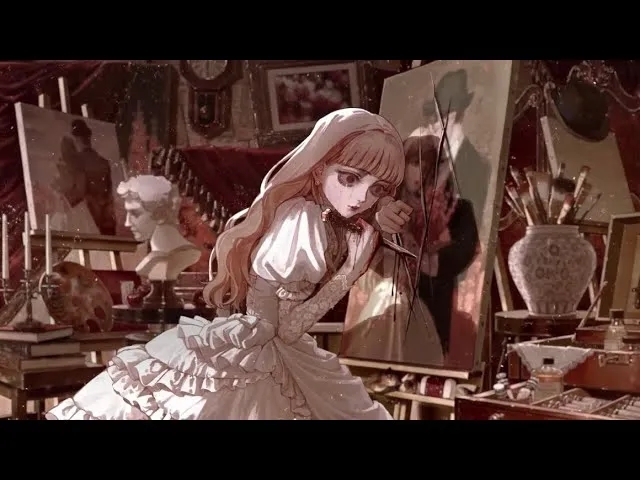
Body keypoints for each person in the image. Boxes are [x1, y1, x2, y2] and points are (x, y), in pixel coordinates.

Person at [46, 108, 410, 420]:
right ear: (318, 170)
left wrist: (379, 214)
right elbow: (281, 330)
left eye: (377, 189)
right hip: (263, 345)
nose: (361, 197)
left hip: (263, 341)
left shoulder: (312, 214)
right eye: (349, 178)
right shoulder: (302, 221)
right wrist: (348, 275)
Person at [69, 119, 117, 236]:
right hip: (105, 216)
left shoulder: (77, 161)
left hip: (88, 218)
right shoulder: (103, 162)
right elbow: (109, 192)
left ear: (76, 139)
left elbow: (80, 190)